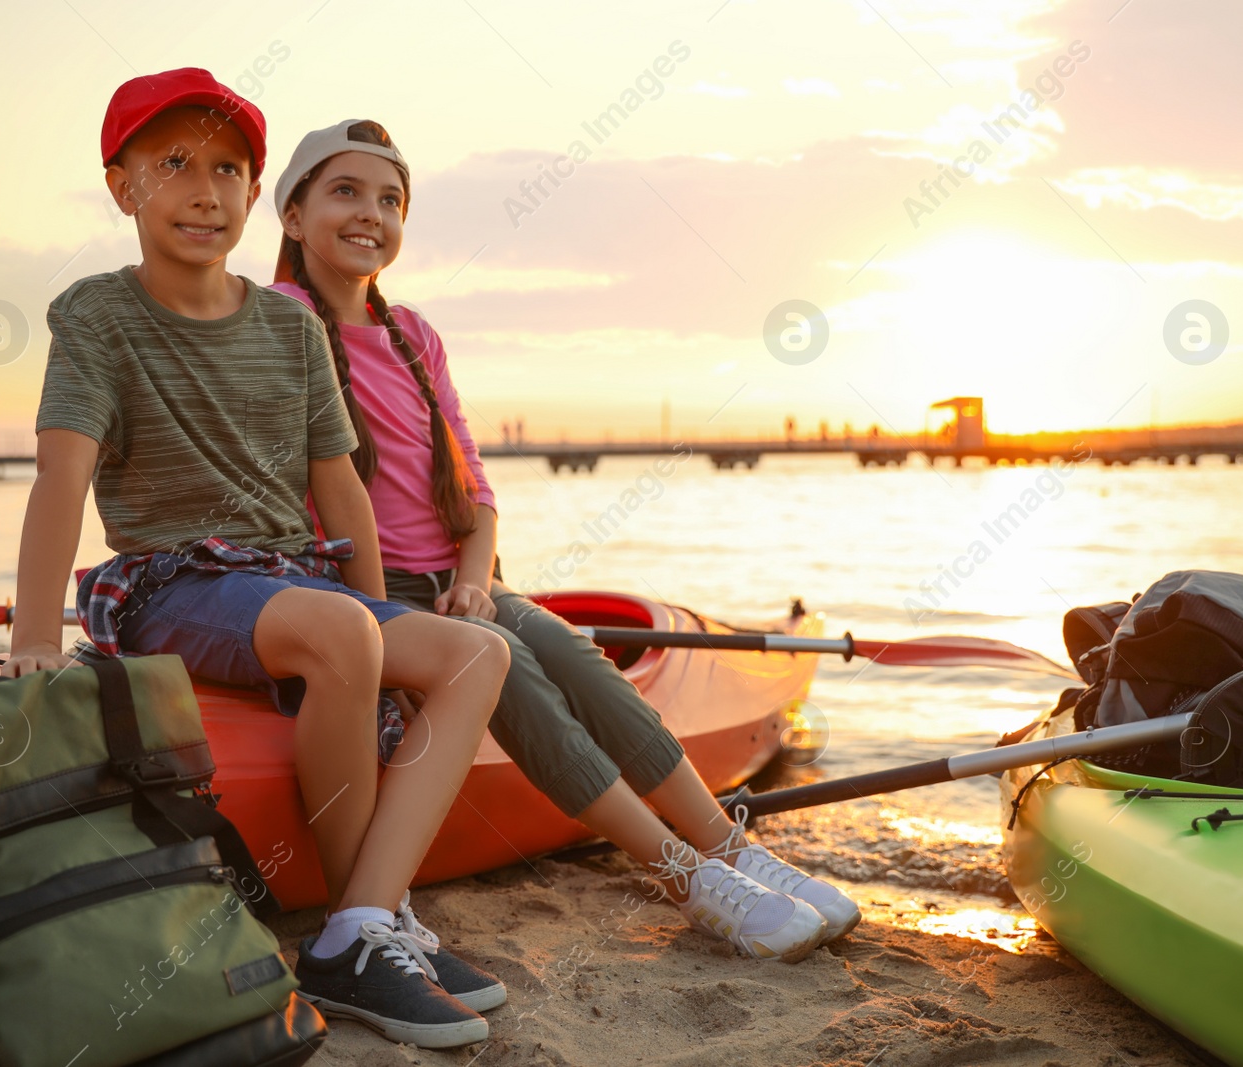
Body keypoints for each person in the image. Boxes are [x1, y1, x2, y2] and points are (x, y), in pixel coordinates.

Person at [269, 119, 862, 973]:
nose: (371, 214)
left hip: (458, 580)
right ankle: (678, 877)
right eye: (345, 192)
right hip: (368, 591)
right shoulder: (279, 319)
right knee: (514, 670)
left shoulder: (417, 337)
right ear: (291, 216)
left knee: (582, 664)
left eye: (391, 199)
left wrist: (476, 581)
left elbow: (474, 489)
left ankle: (726, 847)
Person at [3, 71, 510, 1050]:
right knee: (340, 627)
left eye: (229, 169)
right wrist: (32, 637)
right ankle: (362, 931)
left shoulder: (289, 325)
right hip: (171, 578)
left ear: (253, 192)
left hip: (294, 577)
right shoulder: (97, 315)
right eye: (175, 166)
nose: (205, 191)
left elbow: (342, 487)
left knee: (473, 654)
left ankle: (364, 919)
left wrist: (379, 625)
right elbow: (60, 478)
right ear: (122, 187)